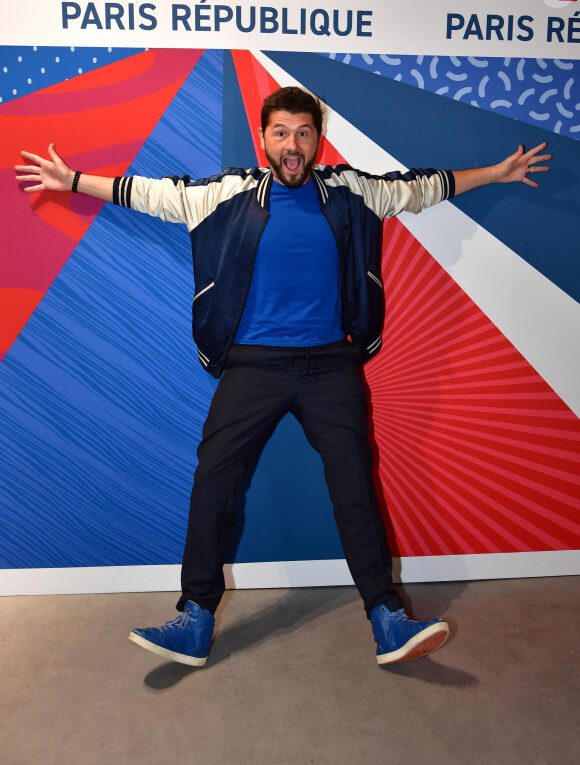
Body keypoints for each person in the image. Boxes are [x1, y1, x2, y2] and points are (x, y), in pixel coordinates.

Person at [15, 87, 551, 667]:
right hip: (252, 364)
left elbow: (422, 188)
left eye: (303, 133)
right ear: (263, 139)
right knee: (215, 479)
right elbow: (146, 194)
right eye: (281, 133)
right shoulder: (227, 193)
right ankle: (195, 618)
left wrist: (496, 173)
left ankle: (388, 619)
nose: (292, 144)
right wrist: (72, 182)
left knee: (354, 486)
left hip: (330, 365)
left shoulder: (351, 192)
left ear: (317, 141)